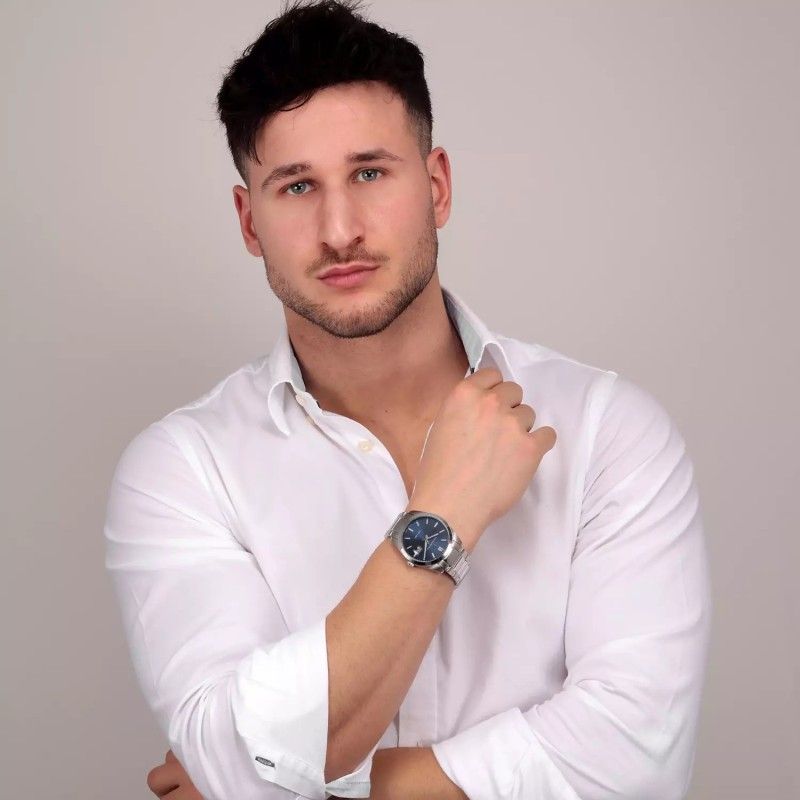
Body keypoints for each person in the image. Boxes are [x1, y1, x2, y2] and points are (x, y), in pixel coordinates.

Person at [103, 1, 713, 798]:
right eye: (296, 186)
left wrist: (295, 786)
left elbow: (634, 762)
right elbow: (234, 752)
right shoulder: (183, 471)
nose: (339, 229)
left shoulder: (606, 430)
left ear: (437, 186)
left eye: (369, 173)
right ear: (249, 222)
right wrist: (444, 515)